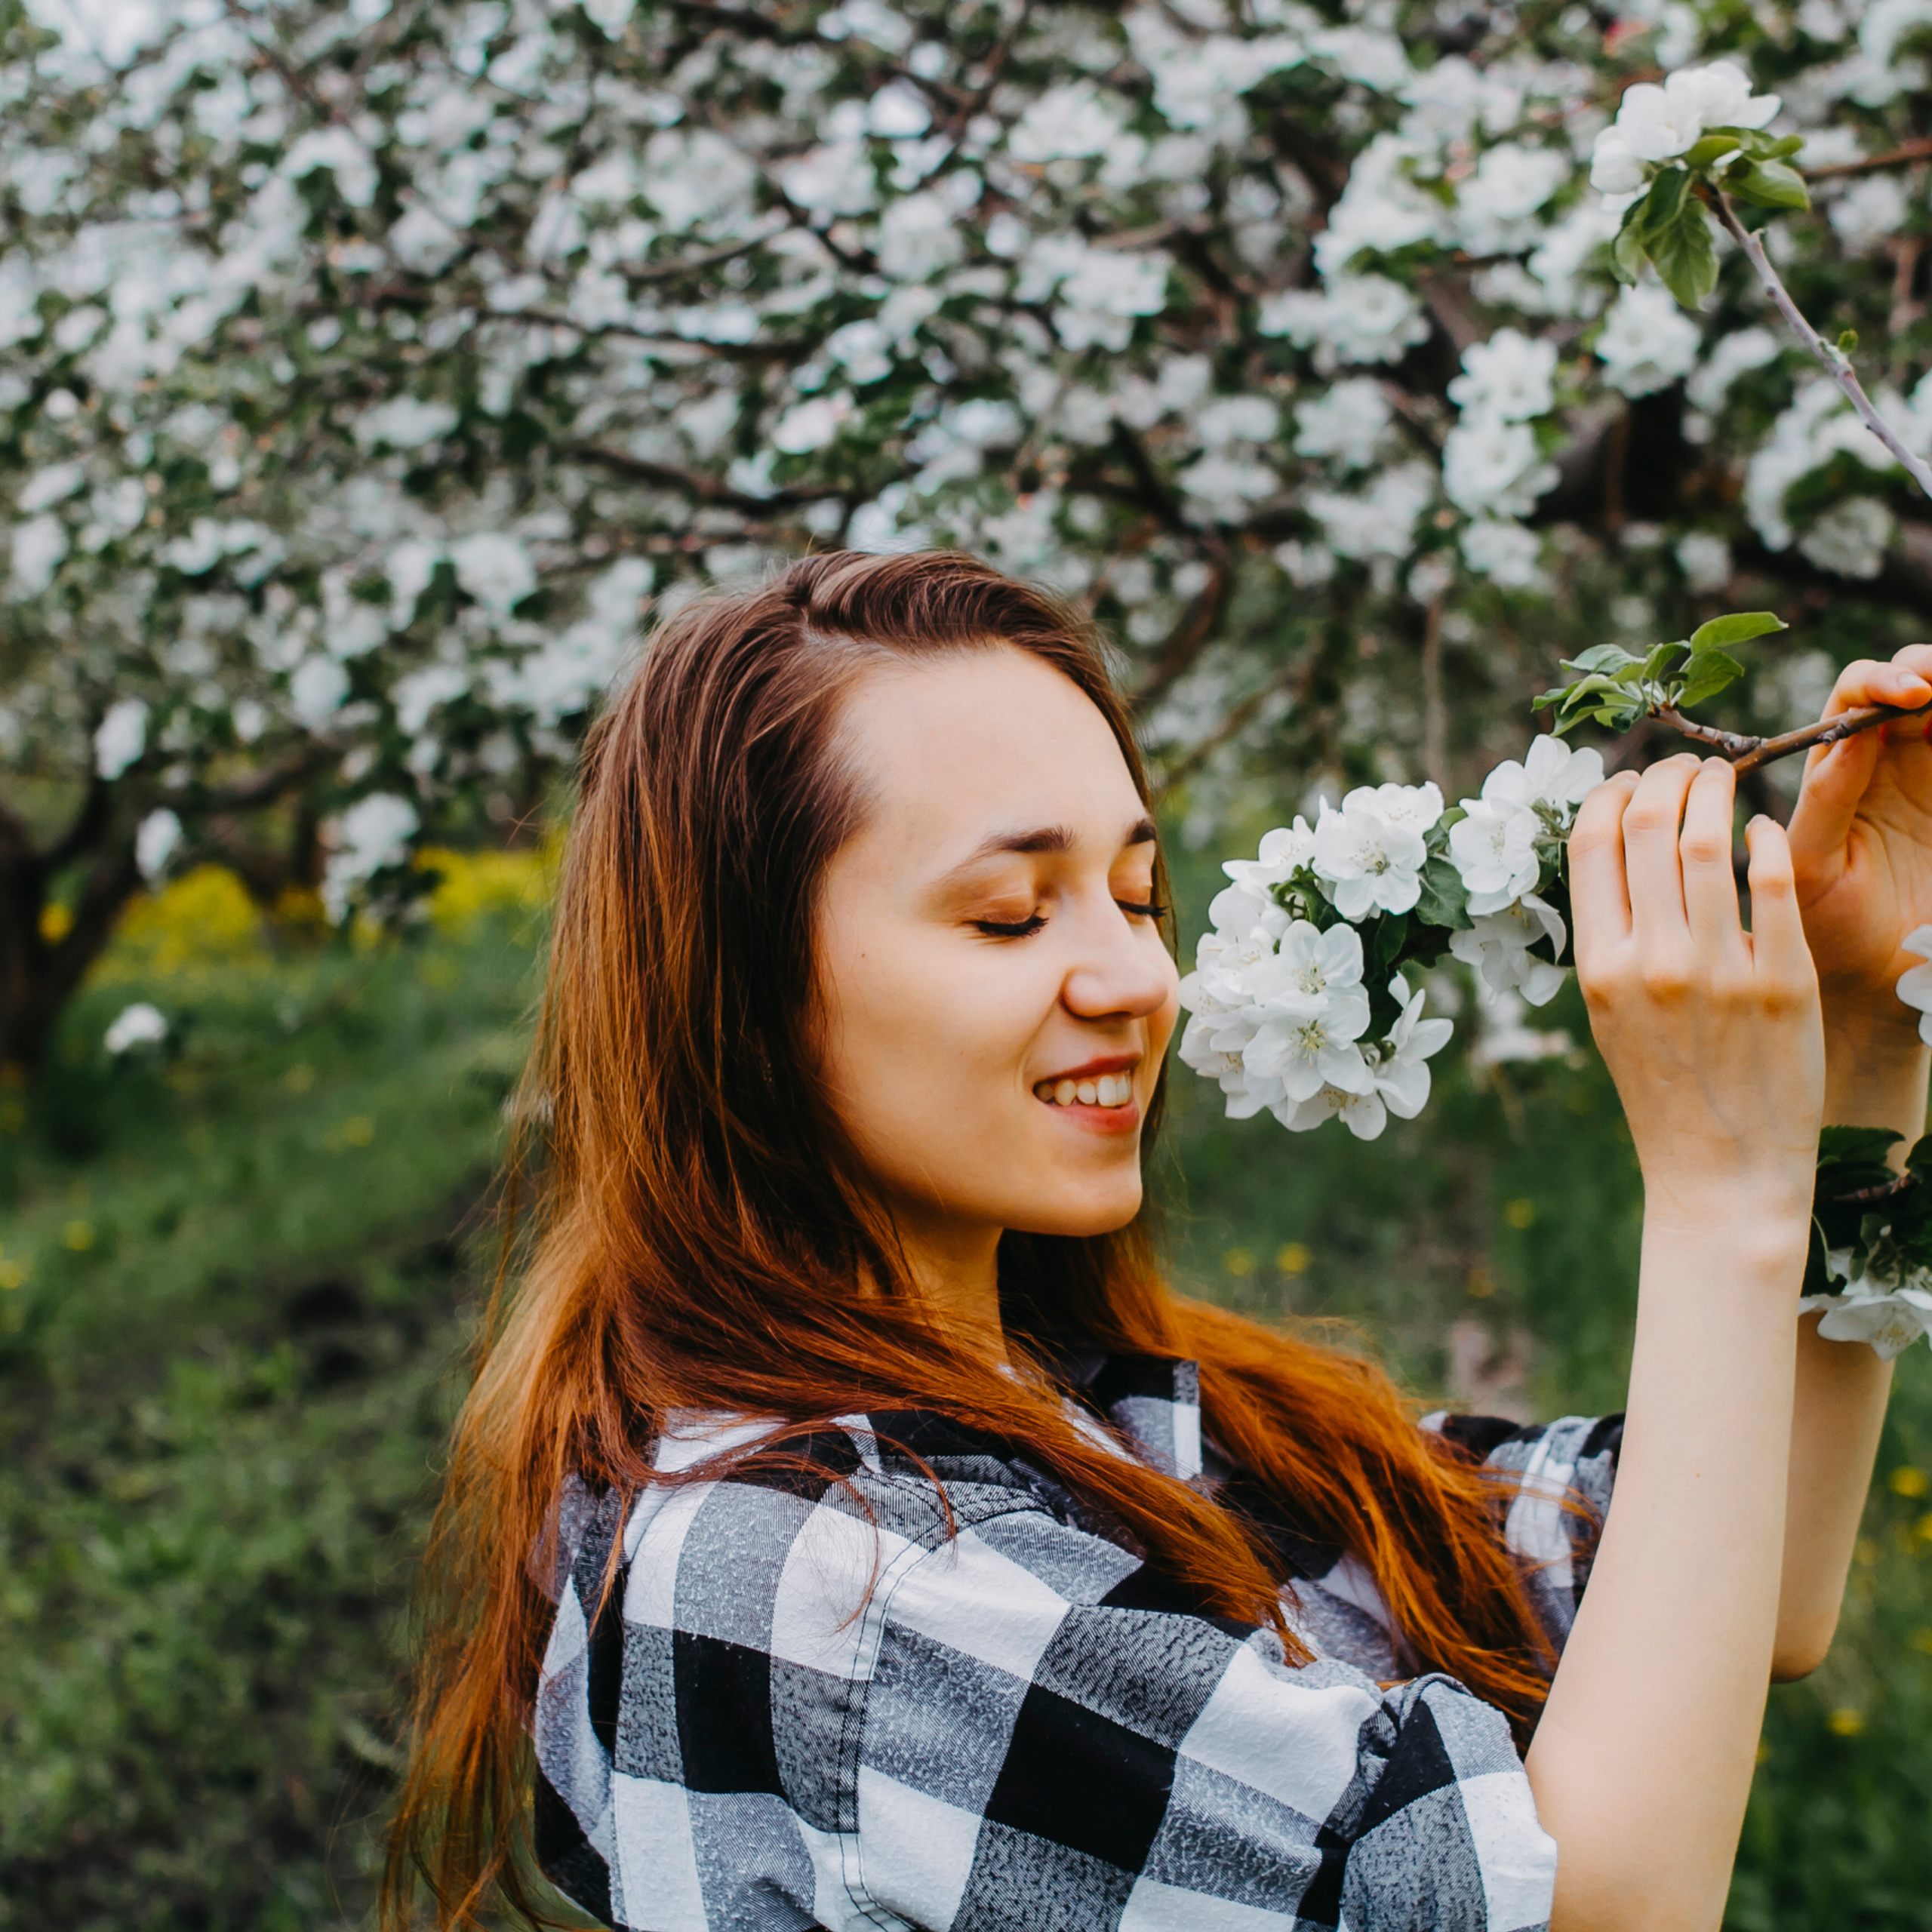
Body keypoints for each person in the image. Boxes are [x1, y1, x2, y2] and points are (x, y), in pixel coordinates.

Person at [386, 549, 1932, 1932]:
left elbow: (1745, 1581)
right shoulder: (824, 1571)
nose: (1136, 977)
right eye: (1008, 915)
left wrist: (1860, 1049)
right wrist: (1719, 1191)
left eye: (1134, 893)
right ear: (742, 995)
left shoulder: (1084, 1408)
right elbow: (1595, 1902)